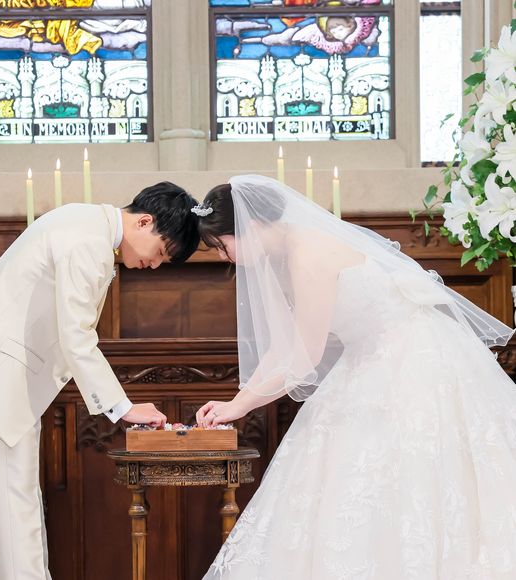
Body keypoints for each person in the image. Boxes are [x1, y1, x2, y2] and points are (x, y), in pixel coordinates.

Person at [195, 174, 516, 579]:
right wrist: (237, 401)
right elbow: (284, 346)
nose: (223, 256)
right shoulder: (289, 253)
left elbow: (304, 356)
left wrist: (239, 406)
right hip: (368, 359)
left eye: (222, 245)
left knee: (415, 474)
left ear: (252, 225)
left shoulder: (307, 254)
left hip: (413, 363)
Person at [0, 182, 200, 580]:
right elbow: (77, 337)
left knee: (19, 501)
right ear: (145, 222)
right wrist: (124, 408)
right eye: (161, 252)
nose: (155, 264)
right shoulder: (89, 241)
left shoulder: (88, 225)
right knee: (15, 503)